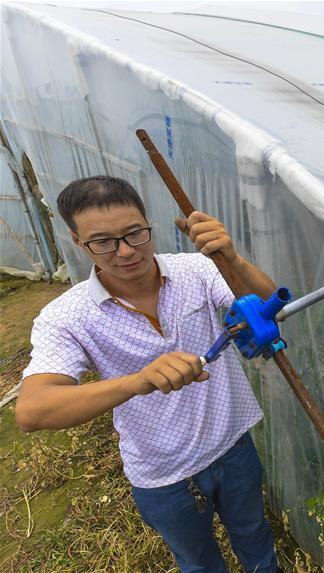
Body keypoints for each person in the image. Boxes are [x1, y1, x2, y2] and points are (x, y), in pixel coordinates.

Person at [15, 175, 281, 573]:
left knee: (255, 536)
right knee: (198, 562)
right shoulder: (67, 316)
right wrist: (136, 382)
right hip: (164, 475)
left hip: (233, 444)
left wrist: (233, 258)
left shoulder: (198, 271)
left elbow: (266, 308)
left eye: (135, 233)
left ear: (148, 223)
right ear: (77, 240)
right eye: (102, 241)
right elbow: (32, 410)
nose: (125, 252)